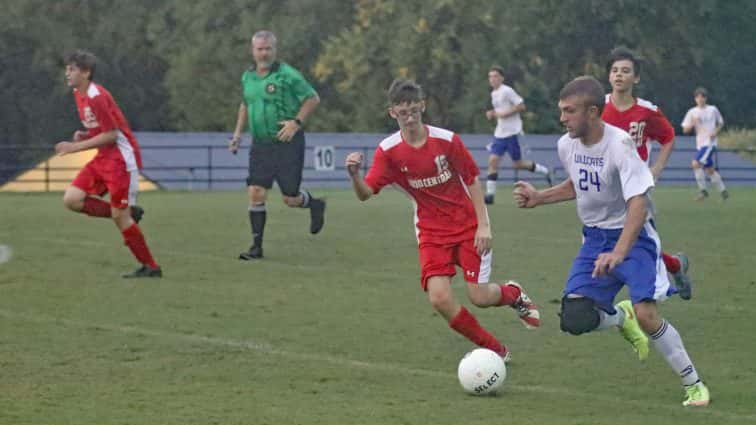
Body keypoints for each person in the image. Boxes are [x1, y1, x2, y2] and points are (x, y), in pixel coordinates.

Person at [513, 76, 709, 407]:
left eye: (569, 111)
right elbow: (580, 184)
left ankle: (694, 385)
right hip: (593, 240)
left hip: (635, 239)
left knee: (648, 313)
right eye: (561, 111)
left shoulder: (620, 145)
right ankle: (621, 318)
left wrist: (619, 251)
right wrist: (539, 197)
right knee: (573, 318)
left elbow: (639, 201)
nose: (562, 118)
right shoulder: (566, 145)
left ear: (592, 112)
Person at [345, 79, 540, 361]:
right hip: (431, 231)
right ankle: (495, 350)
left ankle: (514, 295)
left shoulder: (446, 140)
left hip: (468, 225)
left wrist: (483, 225)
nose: (410, 118)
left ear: (423, 106)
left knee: (480, 297)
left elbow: (472, 179)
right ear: (392, 113)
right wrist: (354, 176)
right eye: (403, 113)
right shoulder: (388, 151)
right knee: (439, 298)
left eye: (414, 110)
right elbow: (365, 194)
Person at [55, 50, 161, 278]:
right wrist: (85, 135)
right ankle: (129, 212)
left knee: (119, 216)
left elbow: (112, 135)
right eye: (67, 68)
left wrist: (74, 147)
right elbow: (102, 130)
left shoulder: (96, 96)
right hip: (104, 156)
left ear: (86, 72)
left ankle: (151, 267)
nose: (67, 73)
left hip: (121, 160)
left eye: (72, 69)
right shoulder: (78, 93)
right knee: (72, 200)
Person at [601, 47, 693, 300]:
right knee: (627, 236)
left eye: (626, 71)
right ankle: (674, 265)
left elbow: (668, 136)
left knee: (639, 234)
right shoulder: (598, 108)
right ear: (609, 76)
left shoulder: (646, 111)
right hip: (606, 185)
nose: (619, 75)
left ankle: (656, 284)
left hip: (635, 186)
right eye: (615, 70)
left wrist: (656, 168)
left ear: (636, 78)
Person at [228, 30, 325, 260]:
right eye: (259, 49)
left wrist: (296, 123)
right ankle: (256, 247)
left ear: (274, 50)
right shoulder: (247, 77)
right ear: (253, 51)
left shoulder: (287, 75)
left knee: (290, 198)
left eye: (268, 48)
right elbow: (245, 104)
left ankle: (314, 204)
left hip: (287, 144)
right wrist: (238, 133)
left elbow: (312, 98)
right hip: (260, 145)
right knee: (256, 192)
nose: (263, 53)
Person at [483, 66, 552, 204]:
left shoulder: (507, 91)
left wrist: (503, 114)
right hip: (500, 133)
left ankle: (545, 171)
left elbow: (521, 106)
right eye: (490, 76)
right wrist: (493, 113)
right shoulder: (493, 94)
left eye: (495, 76)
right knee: (492, 161)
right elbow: (500, 111)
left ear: (502, 78)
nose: (493, 79)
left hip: (512, 132)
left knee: (518, 164)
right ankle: (490, 195)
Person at [682, 87, 728, 201]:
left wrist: (715, 132)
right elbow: (685, 130)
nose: (700, 99)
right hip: (700, 144)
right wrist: (693, 122)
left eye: (702, 97)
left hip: (710, 143)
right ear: (695, 99)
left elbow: (721, 123)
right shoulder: (692, 112)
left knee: (695, 163)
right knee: (709, 170)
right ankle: (723, 191)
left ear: (706, 98)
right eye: (698, 97)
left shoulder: (712, 109)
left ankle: (703, 191)